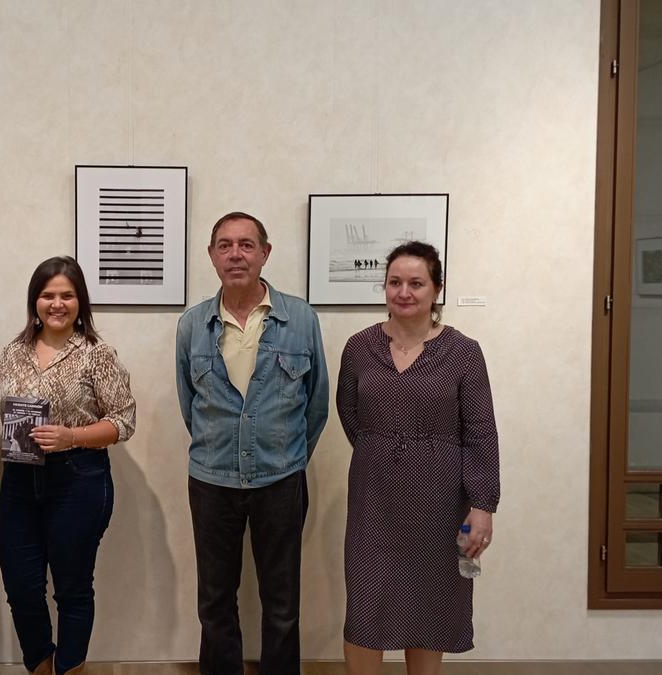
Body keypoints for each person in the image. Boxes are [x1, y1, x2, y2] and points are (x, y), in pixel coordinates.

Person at [175, 212, 329, 675]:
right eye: (224, 245)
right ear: (211, 256)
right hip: (211, 480)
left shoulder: (300, 319)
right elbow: (190, 405)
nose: (235, 254)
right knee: (215, 601)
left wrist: (286, 455)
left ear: (265, 252)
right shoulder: (192, 325)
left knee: (282, 602)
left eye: (246, 244)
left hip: (281, 480)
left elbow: (316, 405)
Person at [336, 241, 500, 675]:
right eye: (394, 282)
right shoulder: (358, 347)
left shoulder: (464, 352)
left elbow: (480, 432)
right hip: (374, 496)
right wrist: (385, 449)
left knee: (430, 603)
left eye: (416, 283)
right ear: (384, 288)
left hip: (440, 499)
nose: (403, 292)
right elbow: (349, 414)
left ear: (436, 290)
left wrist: (482, 506)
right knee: (367, 601)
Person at [0, 256, 136, 675]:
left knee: (71, 590)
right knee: (22, 589)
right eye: (48, 295)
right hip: (18, 481)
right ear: (35, 301)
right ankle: (41, 667)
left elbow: (124, 420)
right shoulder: (13, 352)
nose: (57, 303)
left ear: (80, 301)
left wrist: (72, 436)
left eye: (67, 295)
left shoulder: (96, 354)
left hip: (78, 481)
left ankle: (71, 669)